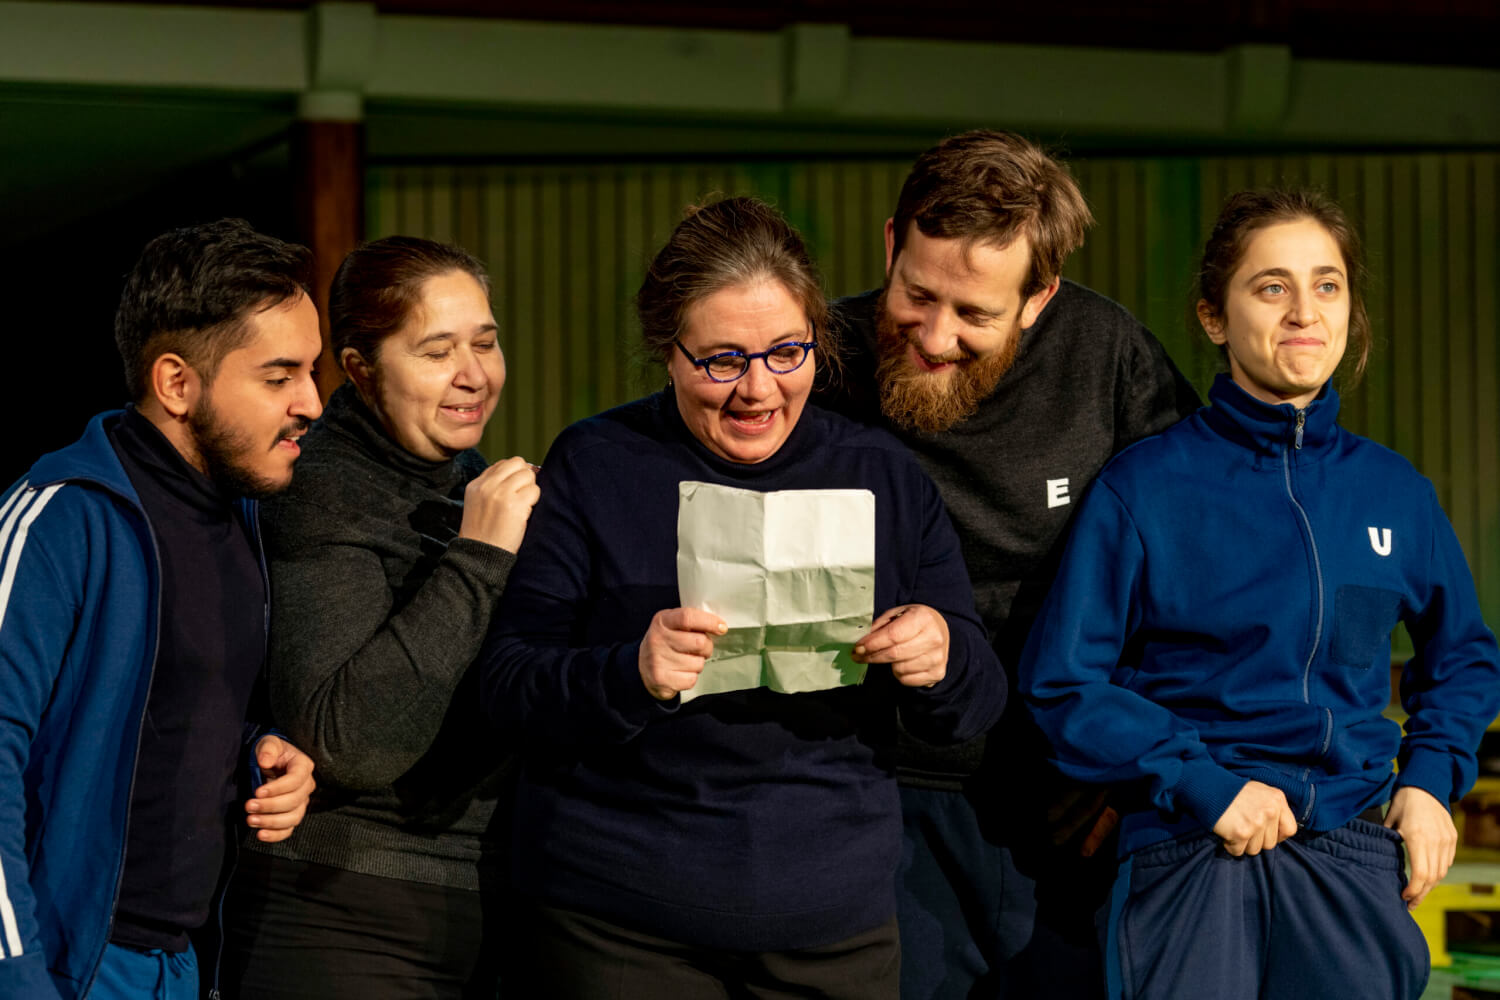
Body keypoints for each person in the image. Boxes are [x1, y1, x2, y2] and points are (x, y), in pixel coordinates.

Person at [480, 196, 1005, 999]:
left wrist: (942, 653)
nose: (758, 390)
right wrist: (632, 673)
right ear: (668, 351)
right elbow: (509, 686)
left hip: (832, 927)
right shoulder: (598, 462)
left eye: (787, 353)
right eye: (722, 360)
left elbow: (976, 702)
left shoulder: (882, 474)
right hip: (617, 924)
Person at [1018, 189, 1500, 999]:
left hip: (1348, 849)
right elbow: (1062, 683)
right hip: (1194, 846)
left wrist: (1429, 782)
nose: (1304, 311)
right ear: (1214, 316)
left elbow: (1464, 657)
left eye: (1327, 285)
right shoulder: (1147, 488)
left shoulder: (1394, 494)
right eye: (1271, 287)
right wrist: (1205, 785)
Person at [815, 129, 1201, 998]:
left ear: (1039, 299)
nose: (935, 336)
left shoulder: (1108, 358)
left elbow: (1197, 574)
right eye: (916, 294)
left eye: (976, 314)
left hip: (1066, 804)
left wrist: (1138, 766)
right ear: (890, 243)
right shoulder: (816, 363)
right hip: (873, 795)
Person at [0, 218, 321, 1000]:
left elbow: (156, 707)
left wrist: (259, 750)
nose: (313, 401)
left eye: (311, 371)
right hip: (67, 967)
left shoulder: (237, 518)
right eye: (279, 376)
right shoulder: (60, 518)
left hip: (182, 966)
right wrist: (20, 977)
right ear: (177, 383)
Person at [220, 237, 539, 999]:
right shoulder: (319, 487)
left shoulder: (471, 480)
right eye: (436, 352)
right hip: (342, 914)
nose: (474, 375)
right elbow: (344, 739)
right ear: (361, 368)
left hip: (484, 907)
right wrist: (481, 557)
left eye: (486, 343)